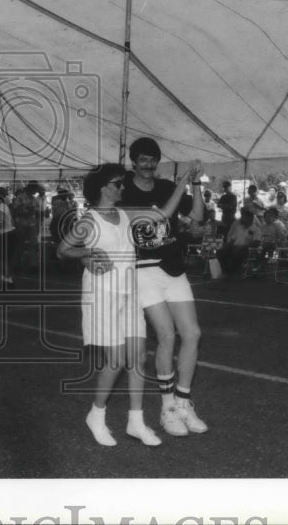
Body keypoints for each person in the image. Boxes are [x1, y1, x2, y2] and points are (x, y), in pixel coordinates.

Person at [58, 164, 160, 447]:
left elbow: (162, 214)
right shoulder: (89, 220)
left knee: (138, 358)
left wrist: (187, 182)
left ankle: (136, 422)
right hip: (102, 294)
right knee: (115, 360)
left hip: (129, 292)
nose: (122, 187)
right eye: (117, 184)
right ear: (103, 188)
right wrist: (87, 252)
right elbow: (63, 249)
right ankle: (96, 415)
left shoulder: (125, 214)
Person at [118, 137, 208, 437]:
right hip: (143, 270)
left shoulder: (167, 187)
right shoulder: (123, 189)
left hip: (172, 267)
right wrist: (183, 180)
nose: (148, 164)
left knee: (192, 334)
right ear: (133, 161)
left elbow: (197, 216)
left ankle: (183, 403)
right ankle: (167, 407)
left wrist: (195, 184)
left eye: (152, 159)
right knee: (167, 335)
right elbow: (160, 215)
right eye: (142, 159)